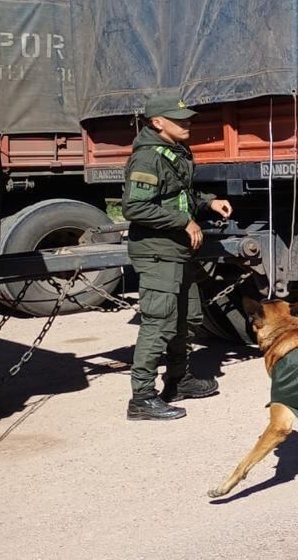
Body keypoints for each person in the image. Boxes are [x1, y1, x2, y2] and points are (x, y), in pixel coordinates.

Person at [122, 94, 233, 421]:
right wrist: (183, 221)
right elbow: (135, 207)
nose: (187, 124)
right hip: (157, 252)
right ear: (158, 123)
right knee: (158, 323)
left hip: (178, 251)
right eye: (179, 119)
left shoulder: (173, 153)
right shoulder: (148, 158)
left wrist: (209, 202)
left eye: (187, 119)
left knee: (189, 318)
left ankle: (178, 380)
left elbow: (178, 196)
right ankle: (141, 398)